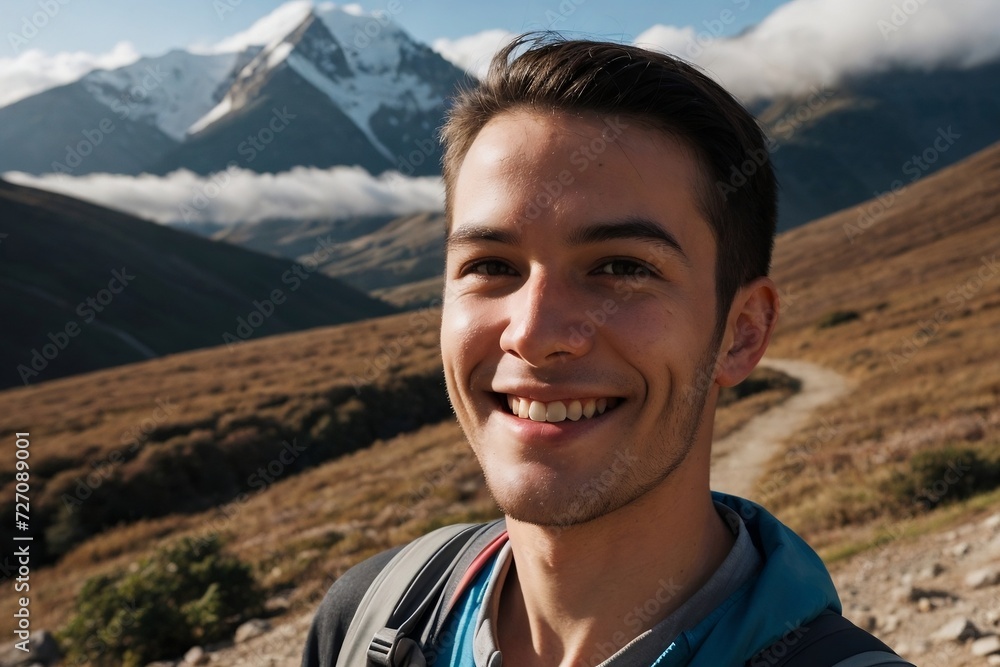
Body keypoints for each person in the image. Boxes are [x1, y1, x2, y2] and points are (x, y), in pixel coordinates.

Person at [303, 35, 912, 667]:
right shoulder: (364, 615)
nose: (533, 334)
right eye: (490, 264)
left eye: (621, 267)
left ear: (743, 333)